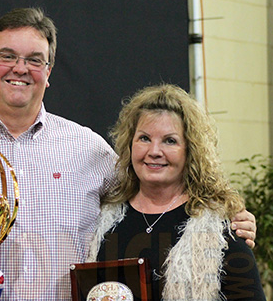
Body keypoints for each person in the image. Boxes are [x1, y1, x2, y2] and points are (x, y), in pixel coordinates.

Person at [0, 8, 257, 300]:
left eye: (35, 60)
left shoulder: (90, 150)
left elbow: (152, 198)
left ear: (49, 70)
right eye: (7, 56)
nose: (20, 69)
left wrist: (226, 222)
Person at [87, 84, 265, 300]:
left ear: (190, 151)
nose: (154, 152)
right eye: (144, 138)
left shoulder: (221, 229)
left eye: (169, 141)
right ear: (129, 144)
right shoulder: (101, 221)